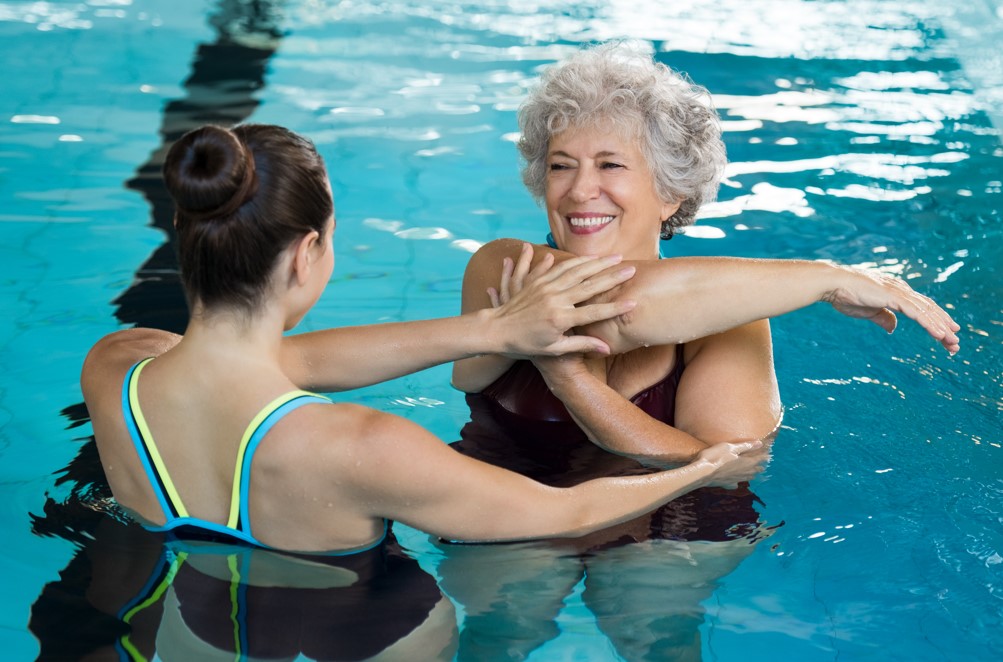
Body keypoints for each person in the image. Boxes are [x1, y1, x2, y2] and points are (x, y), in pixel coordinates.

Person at [439, 41, 962, 660]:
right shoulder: (504, 269)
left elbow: (730, 464)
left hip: (672, 517)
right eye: (560, 165)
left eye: (610, 165)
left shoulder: (734, 320)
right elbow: (617, 307)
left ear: (669, 195)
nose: (581, 190)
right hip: (514, 492)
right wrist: (824, 277)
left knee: (648, 618)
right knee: (503, 623)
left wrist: (573, 383)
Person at [80, 122, 761, 560]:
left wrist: (491, 332)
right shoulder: (364, 449)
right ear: (306, 255)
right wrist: (704, 466)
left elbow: (273, 362)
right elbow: (571, 511)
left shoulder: (115, 367)